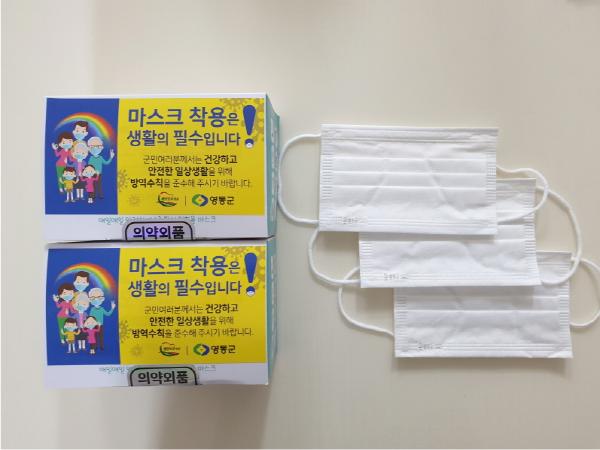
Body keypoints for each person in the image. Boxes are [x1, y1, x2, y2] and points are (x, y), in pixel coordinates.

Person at [88, 287, 116, 351]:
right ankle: (95, 347)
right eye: (93, 298)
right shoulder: (92, 309)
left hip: (101, 325)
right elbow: (90, 318)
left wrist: (112, 308)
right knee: (94, 337)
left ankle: (101, 346)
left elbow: (108, 314)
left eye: (99, 298)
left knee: (101, 336)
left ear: (102, 299)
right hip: (94, 326)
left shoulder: (101, 309)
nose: (96, 300)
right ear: (90, 300)